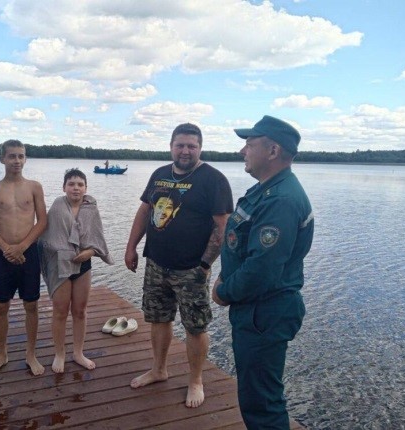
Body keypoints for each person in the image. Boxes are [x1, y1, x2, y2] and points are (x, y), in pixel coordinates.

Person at [212, 115, 314, 429]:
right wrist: (226, 275)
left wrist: (223, 291)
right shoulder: (266, 190)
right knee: (257, 396)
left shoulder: (281, 199)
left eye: (249, 144)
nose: (242, 151)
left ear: (272, 151)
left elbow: (262, 269)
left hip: (264, 312)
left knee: (262, 404)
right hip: (257, 310)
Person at [124, 123, 234, 408]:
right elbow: (145, 210)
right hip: (156, 263)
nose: (185, 151)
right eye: (180, 145)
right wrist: (131, 246)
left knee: (195, 327)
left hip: (191, 269)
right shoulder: (160, 174)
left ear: (200, 148)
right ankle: (159, 369)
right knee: (158, 319)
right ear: (171, 146)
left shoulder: (214, 179)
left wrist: (205, 264)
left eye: (191, 146)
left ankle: (195, 380)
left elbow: (222, 226)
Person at [0, 140, 48, 377]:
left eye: (21, 156)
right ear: (2, 159)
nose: (17, 161)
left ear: (26, 158)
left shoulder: (34, 187)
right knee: (1, 306)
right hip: (3, 253)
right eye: (12, 156)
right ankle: (2, 354)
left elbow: (42, 221)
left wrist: (22, 246)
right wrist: (7, 249)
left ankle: (31, 354)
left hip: (28, 252)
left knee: (31, 305)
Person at [39, 169, 113, 373]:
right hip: (60, 264)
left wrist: (90, 251)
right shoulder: (57, 206)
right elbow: (49, 238)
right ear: (64, 187)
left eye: (80, 184)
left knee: (80, 311)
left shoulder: (91, 208)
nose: (76, 188)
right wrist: (65, 251)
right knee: (60, 311)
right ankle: (59, 354)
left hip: (84, 265)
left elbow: (97, 237)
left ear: (85, 188)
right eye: (71, 184)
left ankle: (78, 353)